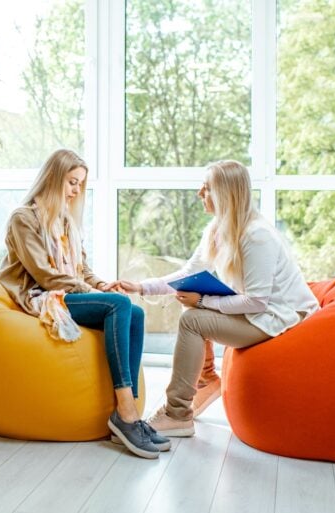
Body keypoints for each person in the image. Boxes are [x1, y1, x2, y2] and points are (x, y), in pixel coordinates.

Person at [106, 160, 319, 437]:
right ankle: (206, 380)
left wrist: (203, 302)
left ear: (225, 195)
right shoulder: (217, 229)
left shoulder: (257, 236)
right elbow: (187, 273)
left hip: (279, 318)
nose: (199, 194)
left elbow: (257, 302)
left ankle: (177, 414)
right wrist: (140, 287)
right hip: (260, 312)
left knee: (193, 320)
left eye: (206, 188)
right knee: (191, 315)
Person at [0, 149, 170, 459]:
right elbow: (46, 276)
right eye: (71, 182)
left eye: (80, 184)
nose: (76, 191)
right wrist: (93, 290)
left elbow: (81, 270)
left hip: (66, 292)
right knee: (118, 305)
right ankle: (127, 413)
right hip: (42, 297)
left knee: (136, 313)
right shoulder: (23, 218)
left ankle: (128, 415)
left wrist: (101, 285)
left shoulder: (65, 221)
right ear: (53, 178)